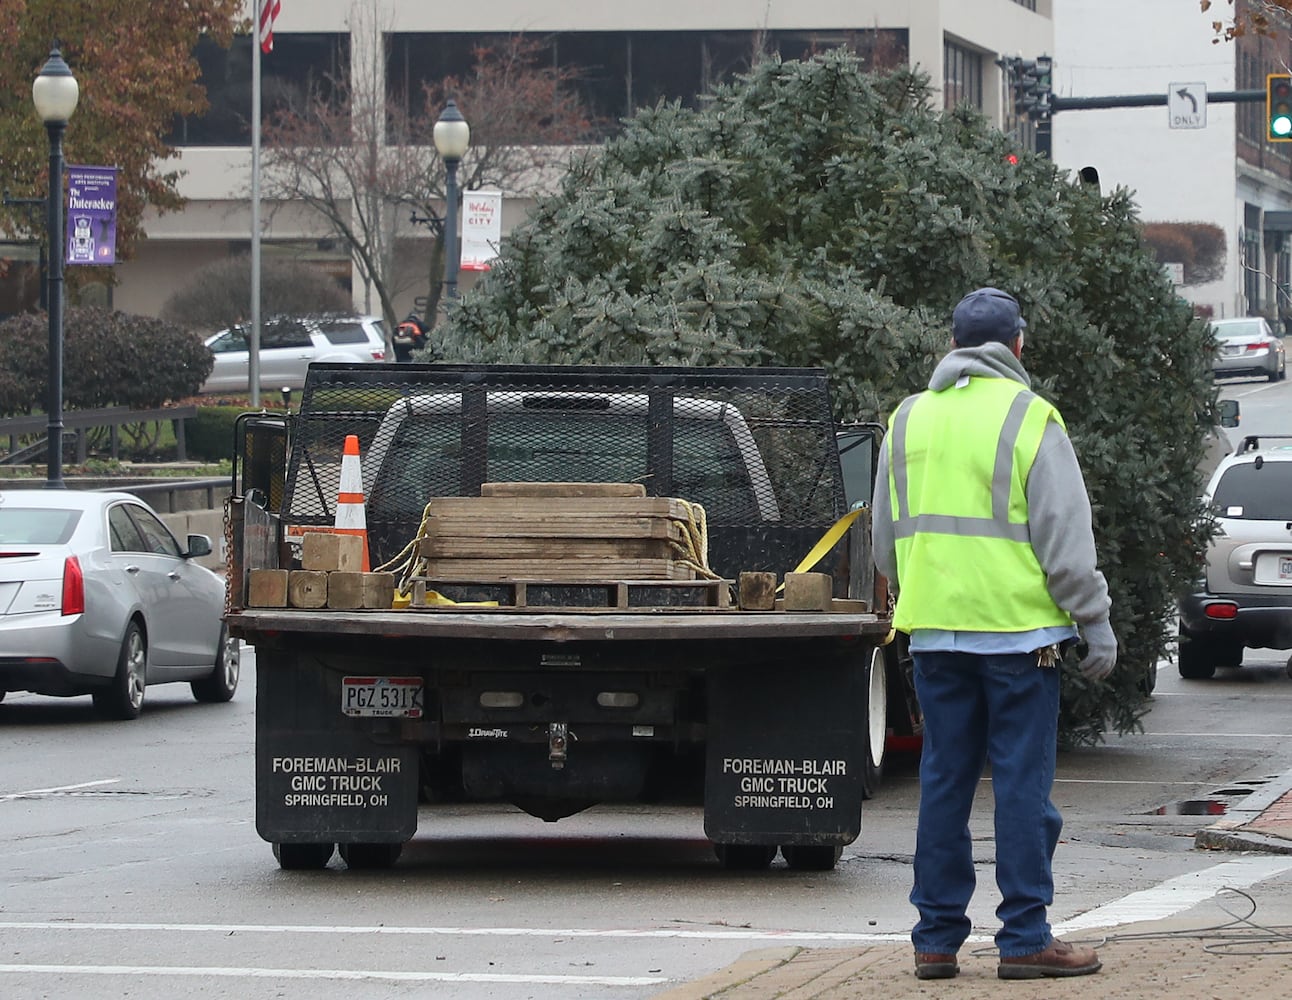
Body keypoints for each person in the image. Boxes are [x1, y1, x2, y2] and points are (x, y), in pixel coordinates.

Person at [870, 287, 1118, 982]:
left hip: (937, 640)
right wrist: (1094, 622)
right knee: (1020, 791)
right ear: (1018, 345)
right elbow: (1065, 542)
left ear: (951, 346)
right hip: (1019, 640)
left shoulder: (909, 419)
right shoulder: (1032, 418)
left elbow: (886, 548)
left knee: (944, 784)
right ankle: (1025, 939)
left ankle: (935, 940)